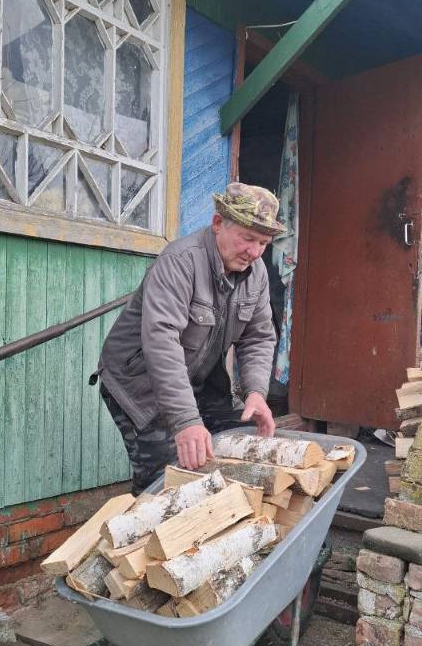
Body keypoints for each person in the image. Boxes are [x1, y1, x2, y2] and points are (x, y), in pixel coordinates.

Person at [94, 182, 286, 495]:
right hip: (139, 383)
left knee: (246, 441)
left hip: (198, 380)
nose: (254, 252)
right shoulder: (180, 261)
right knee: (169, 477)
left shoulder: (256, 274)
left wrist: (255, 391)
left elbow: (259, 337)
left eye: (263, 243)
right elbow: (161, 342)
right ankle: (143, 517)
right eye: (248, 238)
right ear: (218, 223)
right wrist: (186, 422)